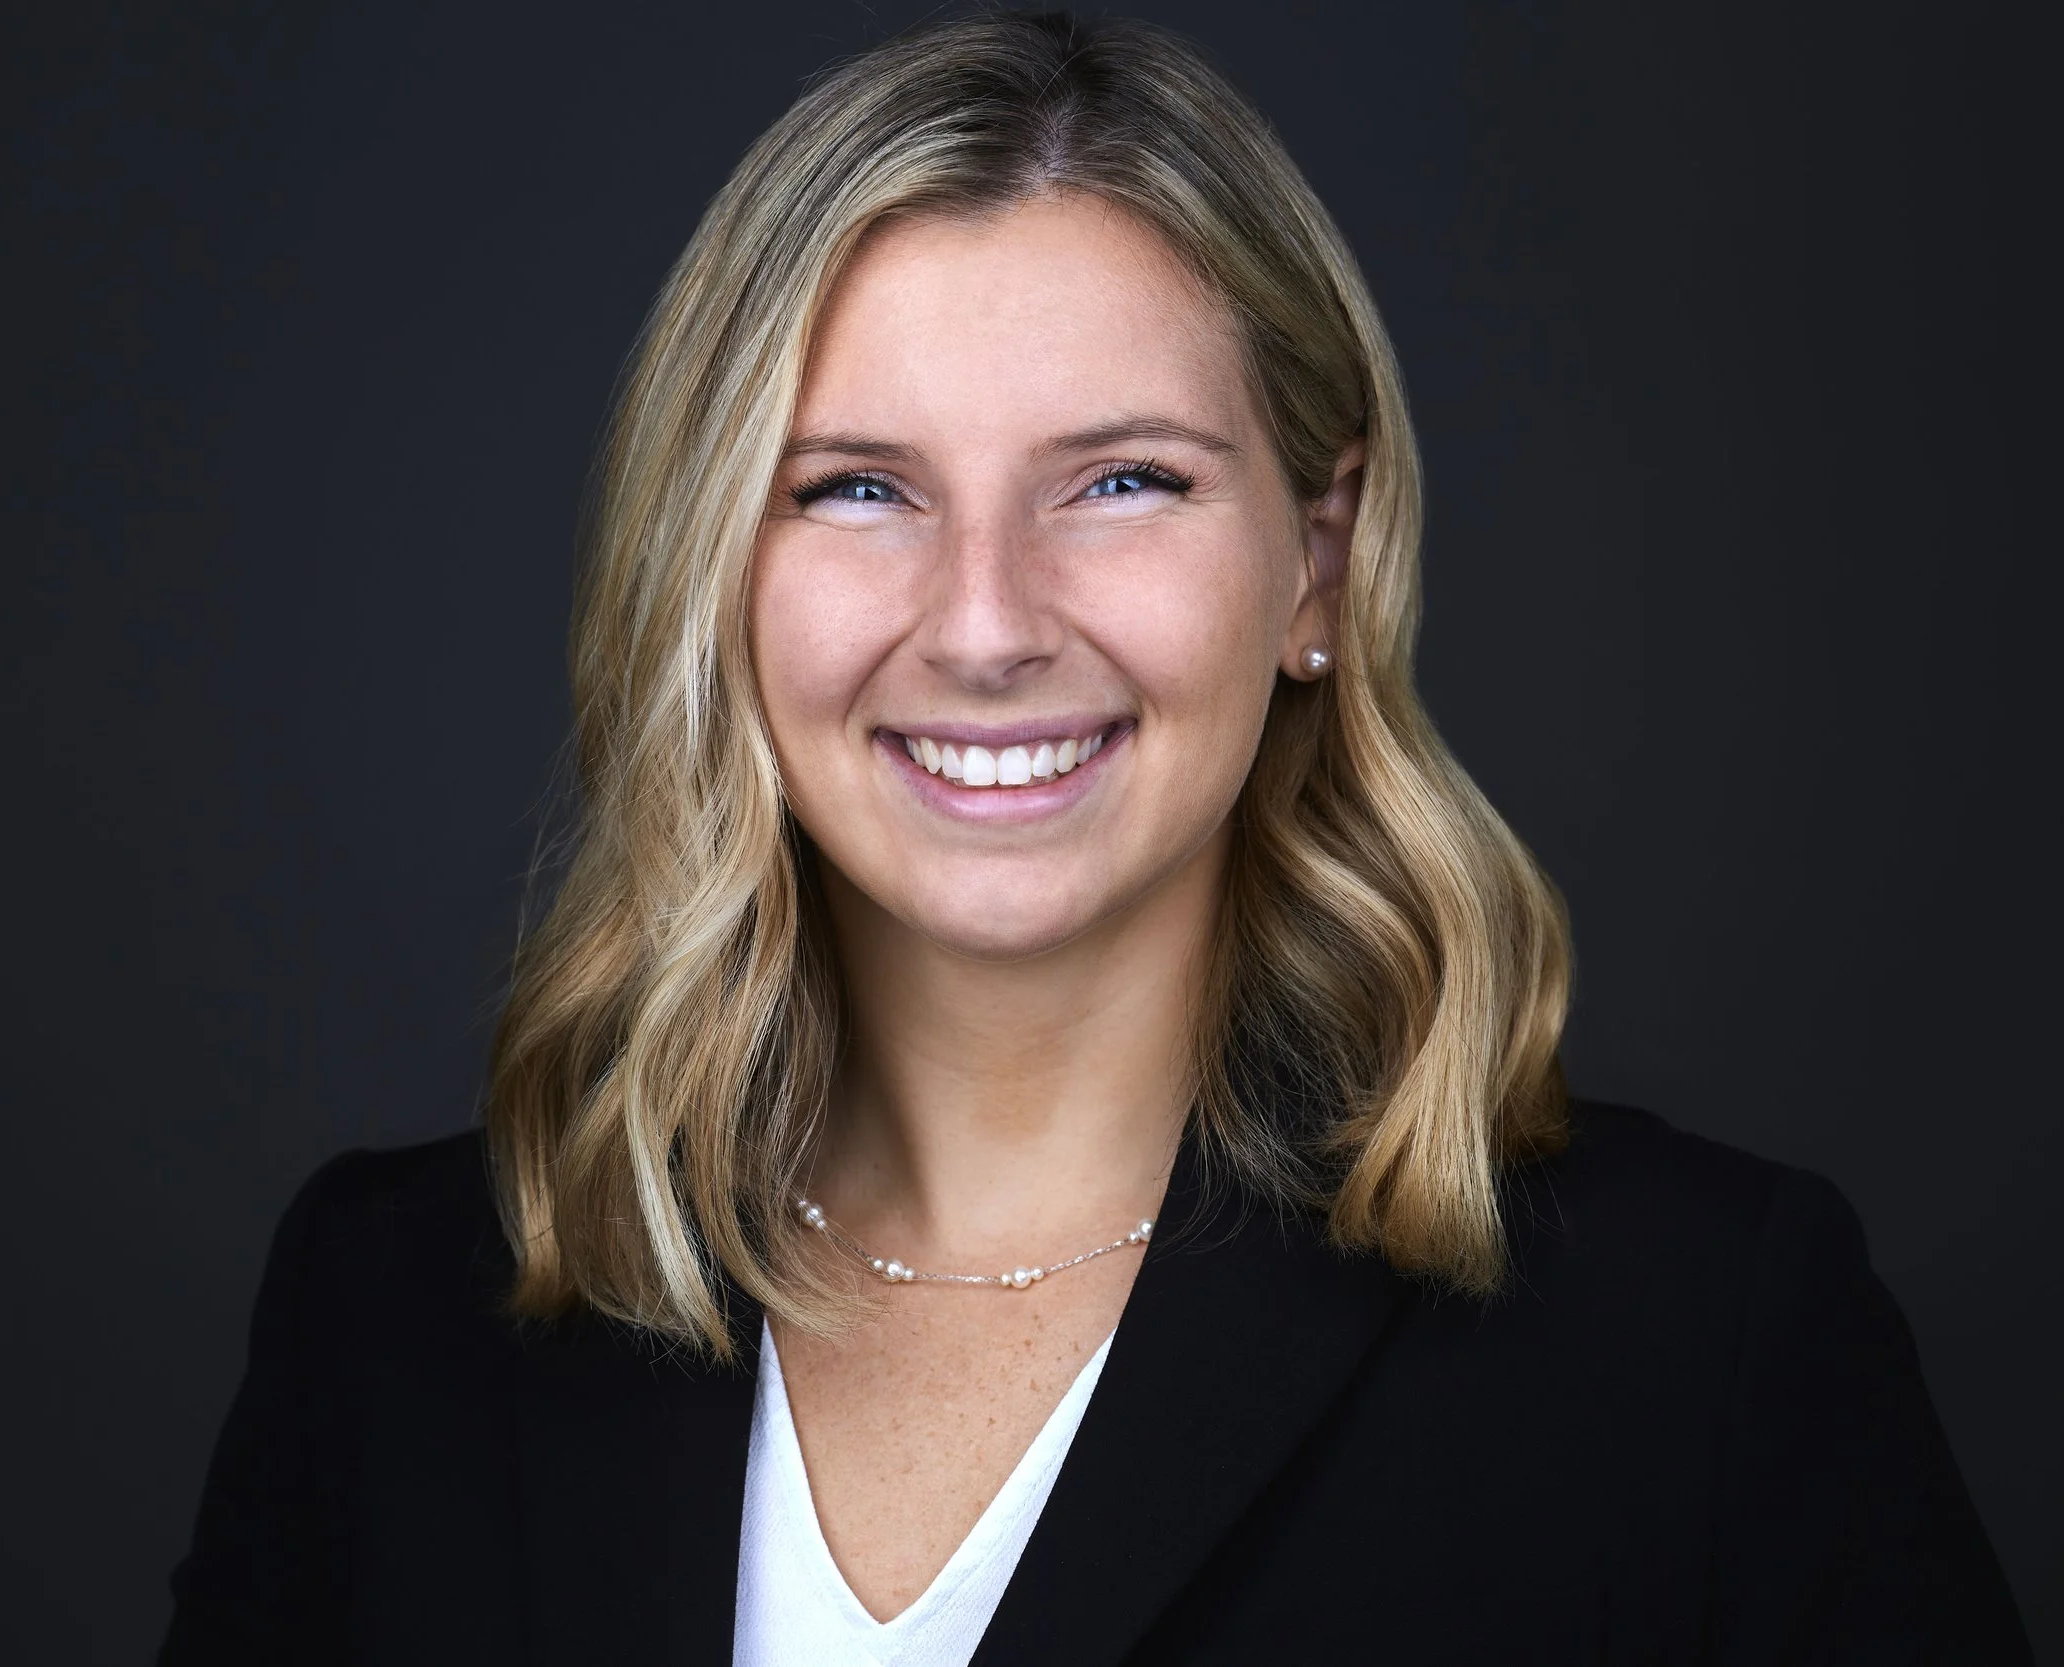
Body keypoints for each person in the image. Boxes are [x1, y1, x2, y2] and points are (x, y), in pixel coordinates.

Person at [157, 13, 2027, 1663]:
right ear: (713, 564)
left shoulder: (1697, 1342)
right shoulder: (389, 1317)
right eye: (858, 488)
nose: (984, 623)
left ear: (1320, 555)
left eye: (1121, 480)